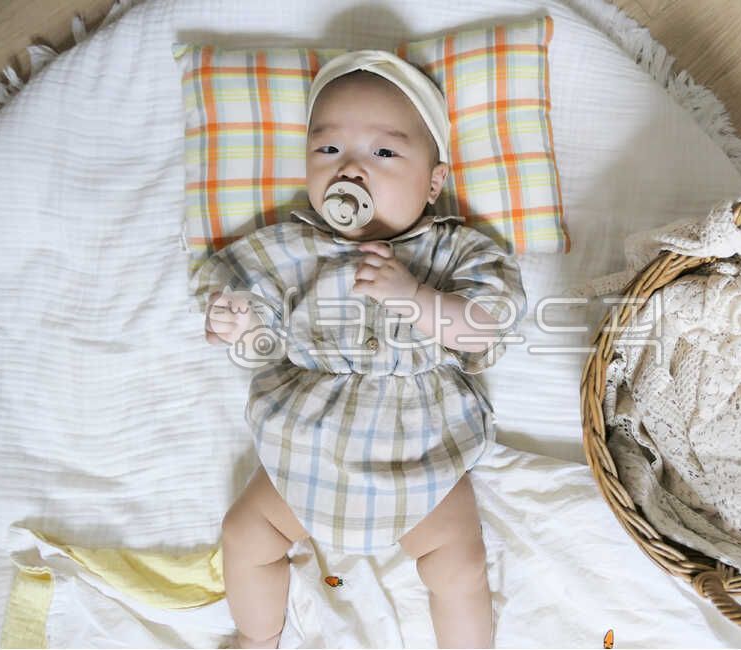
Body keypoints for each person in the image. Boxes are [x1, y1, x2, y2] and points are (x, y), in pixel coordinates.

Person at [198, 50, 527, 648]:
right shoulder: (294, 247)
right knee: (246, 535)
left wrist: (417, 296)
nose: (350, 170)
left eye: (383, 152)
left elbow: (487, 326)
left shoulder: (450, 251)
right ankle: (256, 635)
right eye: (328, 150)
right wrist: (234, 320)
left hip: (422, 447)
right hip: (309, 446)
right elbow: (249, 310)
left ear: (433, 182)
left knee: (459, 567)